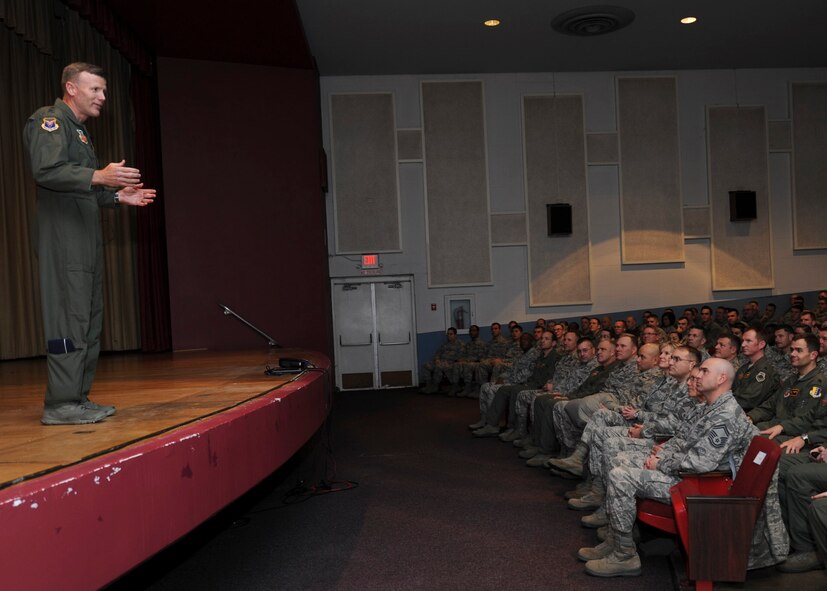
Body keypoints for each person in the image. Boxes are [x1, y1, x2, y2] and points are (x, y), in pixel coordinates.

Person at [23, 62, 156, 425]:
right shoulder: (50, 120)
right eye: (95, 89)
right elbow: (46, 172)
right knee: (69, 319)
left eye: (104, 91)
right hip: (63, 241)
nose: (102, 97)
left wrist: (116, 197)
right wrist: (99, 175)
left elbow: (81, 190)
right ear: (71, 88)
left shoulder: (79, 132)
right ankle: (60, 404)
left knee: (88, 319)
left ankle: (77, 398)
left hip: (84, 240)